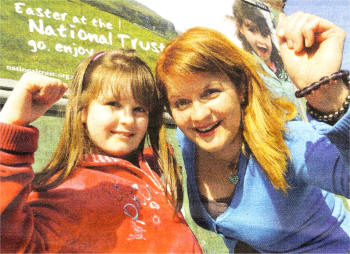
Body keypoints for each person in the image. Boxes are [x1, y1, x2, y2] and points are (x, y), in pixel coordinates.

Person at [156, 11, 350, 253]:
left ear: (241, 89)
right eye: (181, 102)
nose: (198, 114)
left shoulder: (285, 141)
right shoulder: (189, 139)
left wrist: (328, 96)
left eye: (211, 92)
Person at [0, 50, 203, 253]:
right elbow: (13, 243)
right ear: (83, 110)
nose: (128, 120)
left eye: (139, 109)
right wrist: (11, 131)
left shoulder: (155, 171)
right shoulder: (65, 190)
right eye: (113, 104)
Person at [233, 0, 307, 120]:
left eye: (265, 33)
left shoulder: (284, 63)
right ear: (240, 28)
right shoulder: (245, 69)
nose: (262, 40)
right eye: (252, 30)